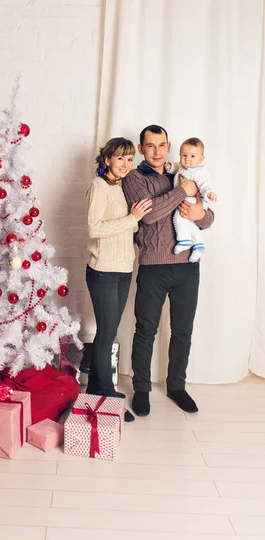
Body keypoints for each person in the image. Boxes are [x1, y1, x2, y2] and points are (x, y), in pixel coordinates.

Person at [122, 125, 214, 417]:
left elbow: (206, 215)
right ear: (141, 149)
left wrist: (201, 213)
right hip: (153, 265)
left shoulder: (183, 174)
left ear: (169, 146)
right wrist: (181, 192)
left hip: (188, 265)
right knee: (146, 330)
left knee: (183, 331)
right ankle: (142, 389)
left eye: (162, 145)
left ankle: (176, 385)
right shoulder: (134, 178)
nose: (157, 151)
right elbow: (148, 216)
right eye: (150, 146)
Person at [84, 137, 152, 422]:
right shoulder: (99, 187)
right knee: (106, 334)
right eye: (120, 158)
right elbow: (93, 228)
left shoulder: (122, 186)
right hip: (103, 272)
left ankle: (94, 392)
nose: (125, 164)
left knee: (108, 332)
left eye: (129, 159)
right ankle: (107, 393)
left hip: (124, 269)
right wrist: (132, 218)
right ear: (107, 159)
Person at [165, 137, 217, 262]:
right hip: (187, 198)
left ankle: (184, 240)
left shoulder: (200, 172)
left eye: (192, 156)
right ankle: (199, 244)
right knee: (189, 224)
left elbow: (205, 185)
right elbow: (176, 167)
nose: (187, 159)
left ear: (201, 159)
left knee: (178, 216)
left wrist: (208, 193)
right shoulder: (184, 168)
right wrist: (169, 167)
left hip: (194, 201)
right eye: (184, 155)